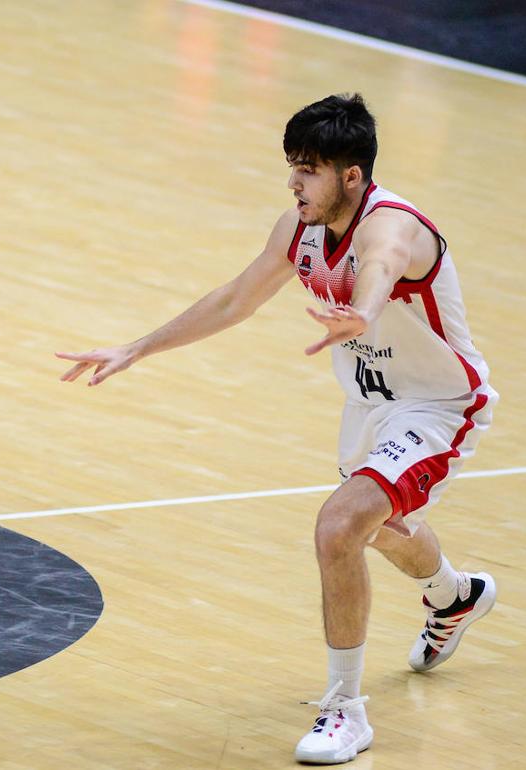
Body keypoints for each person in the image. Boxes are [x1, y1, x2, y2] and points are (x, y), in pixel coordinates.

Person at [57, 93, 497, 765]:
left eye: (309, 169)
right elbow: (236, 298)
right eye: (292, 166)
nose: (295, 182)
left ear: (351, 176)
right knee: (376, 529)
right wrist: (137, 347)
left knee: (338, 527)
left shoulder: (394, 226)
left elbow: (379, 265)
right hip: (371, 408)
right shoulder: (301, 228)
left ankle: (344, 712)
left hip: (438, 405)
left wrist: (363, 310)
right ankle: (454, 595)